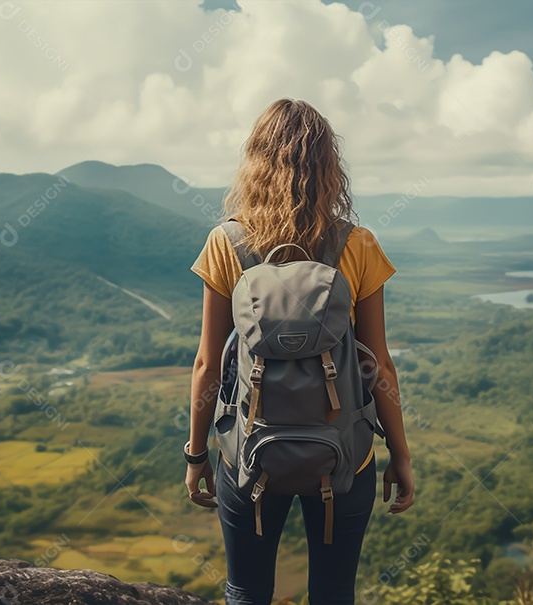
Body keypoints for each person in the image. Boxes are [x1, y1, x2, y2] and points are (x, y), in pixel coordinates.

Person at [185, 98, 415, 605]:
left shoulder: (226, 243)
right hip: (345, 456)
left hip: (248, 454)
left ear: (255, 162)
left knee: (247, 591)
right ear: (330, 168)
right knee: (333, 593)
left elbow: (206, 364)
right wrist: (400, 454)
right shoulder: (358, 244)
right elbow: (378, 364)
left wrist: (197, 453)